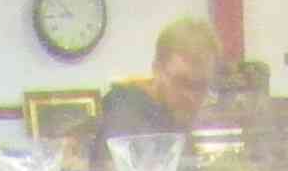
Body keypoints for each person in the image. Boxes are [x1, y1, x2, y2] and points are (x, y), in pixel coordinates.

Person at [91, 18, 222, 163]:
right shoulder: (124, 122)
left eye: (200, 86)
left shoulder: (174, 117)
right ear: (157, 70)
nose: (191, 96)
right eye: (181, 82)